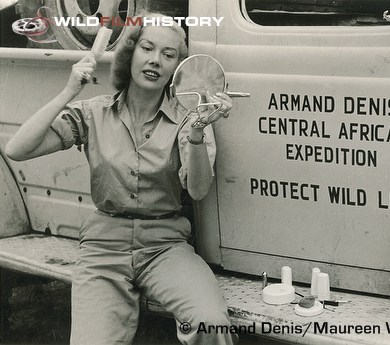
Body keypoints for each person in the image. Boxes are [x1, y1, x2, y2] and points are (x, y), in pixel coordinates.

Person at [5, 11, 237, 345]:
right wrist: (69, 90)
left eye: (168, 55)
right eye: (147, 48)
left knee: (211, 323)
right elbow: (17, 149)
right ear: (130, 53)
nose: (155, 60)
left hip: (165, 245)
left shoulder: (191, 117)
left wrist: (199, 132)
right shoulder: (93, 113)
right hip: (103, 246)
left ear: (176, 68)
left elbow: (198, 190)